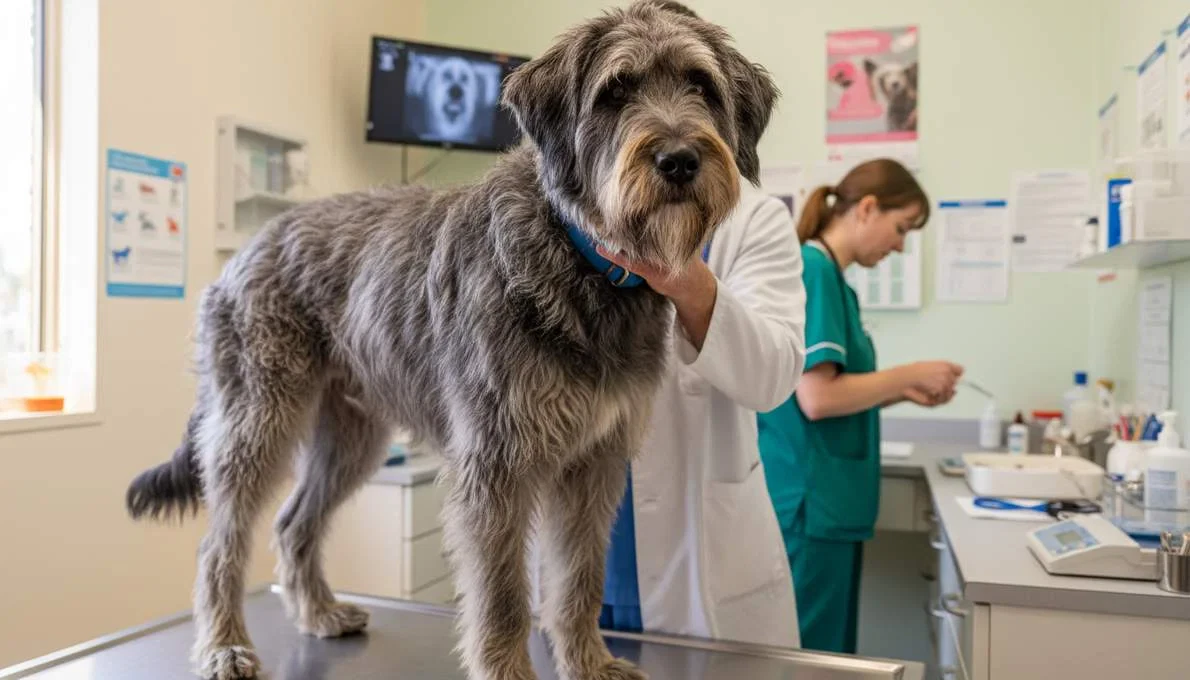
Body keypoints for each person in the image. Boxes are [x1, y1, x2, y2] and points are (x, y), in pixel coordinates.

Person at [756, 159, 963, 654]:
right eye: (901, 228)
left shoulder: (832, 278)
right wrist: (909, 374)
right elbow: (818, 397)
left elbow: (836, 388)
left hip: (828, 502)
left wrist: (899, 391)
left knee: (830, 652)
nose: (900, 245)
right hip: (810, 502)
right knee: (810, 658)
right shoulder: (813, 269)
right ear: (867, 209)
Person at [590, 177, 807, 648]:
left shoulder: (753, 219)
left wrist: (692, 286)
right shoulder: (550, 213)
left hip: (701, 567)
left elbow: (773, 376)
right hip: (570, 560)